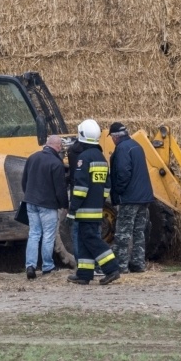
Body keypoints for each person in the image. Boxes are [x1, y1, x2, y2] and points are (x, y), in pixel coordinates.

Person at [67, 119, 121, 286]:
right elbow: (107, 187)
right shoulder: (102, 159)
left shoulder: (83, 158)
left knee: (91, 240)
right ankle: (84, 274)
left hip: (84, 210)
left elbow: (80, 188)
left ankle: (112, 269)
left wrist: (72, 210)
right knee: (85, 240)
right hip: (96, 209)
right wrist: (98, 202)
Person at [108, 122, 154, 274]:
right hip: (144, 197)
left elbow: (123, 173)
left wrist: (118, 192)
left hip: (129, 198)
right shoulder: (136, 146)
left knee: (123, 233)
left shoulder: (122, 148)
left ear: (115, 137)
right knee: (138, 232)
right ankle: (138, 263)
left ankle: (121, 266)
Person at [22, 134, 68, 279]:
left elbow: (25, 181)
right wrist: (64, 205)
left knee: (34, 234)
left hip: (31, 202)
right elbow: (60, 189)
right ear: (58, 146)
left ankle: (30, 266)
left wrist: (29, 196)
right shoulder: (56, 163)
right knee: (48, 235)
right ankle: (47, 266)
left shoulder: (32, 158)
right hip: (48, 205)